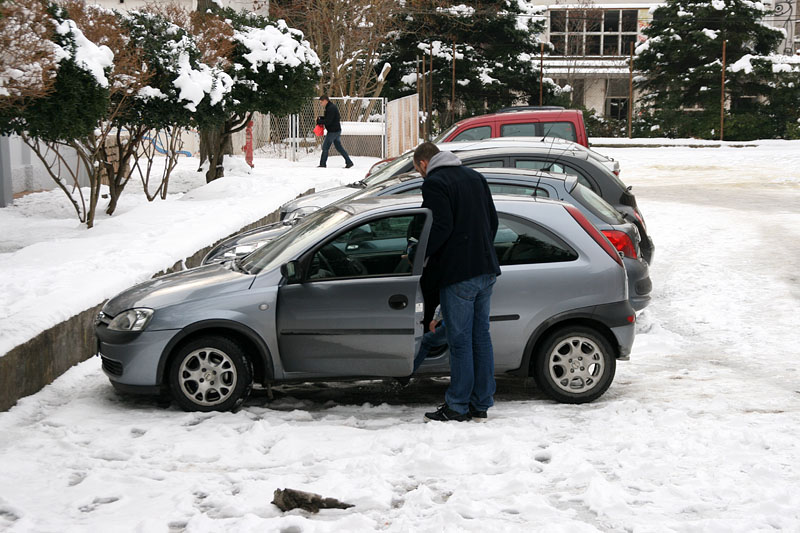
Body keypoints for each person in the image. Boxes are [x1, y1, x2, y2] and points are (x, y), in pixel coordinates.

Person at [413, 141, 500, 422]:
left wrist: (421, 256)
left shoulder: (435, 183)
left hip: (459, 273)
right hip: (486, 268)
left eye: (418, 171)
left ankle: (458, 406)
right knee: (480, 338)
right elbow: (493, 221)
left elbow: (441, 226)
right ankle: (481, 402)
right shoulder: (475, 177)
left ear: (423, 163)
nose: (421, 176)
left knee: (460, 341)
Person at [316, 96, 354, 169]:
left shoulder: (330, 108)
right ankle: (349, 162)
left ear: (325, 101)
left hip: (333, 131)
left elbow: (329, 121)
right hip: (336, 130)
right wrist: (321, 118)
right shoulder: (330, 107)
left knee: (325, 147)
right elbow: (329, 118)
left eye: (321, 102)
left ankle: (322, 164)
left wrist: (319, 121)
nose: (321, 104)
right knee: (339, 147)